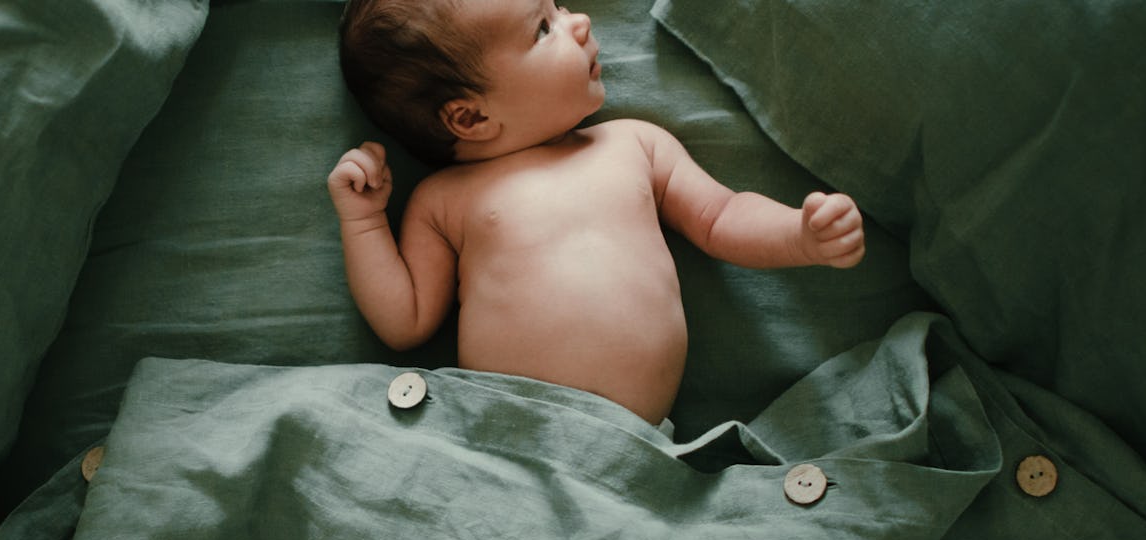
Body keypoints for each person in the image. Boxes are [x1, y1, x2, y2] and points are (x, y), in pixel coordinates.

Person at [327, 0, 865, 425]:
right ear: (470, 115)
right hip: (501, 439)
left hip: (636, 450)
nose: (579, 22)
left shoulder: (635, 144)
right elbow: (406, 321)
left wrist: (798, 235)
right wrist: (365, 221)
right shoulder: (445, 199)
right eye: (543, 28)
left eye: (558, 8)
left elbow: (720, 217)